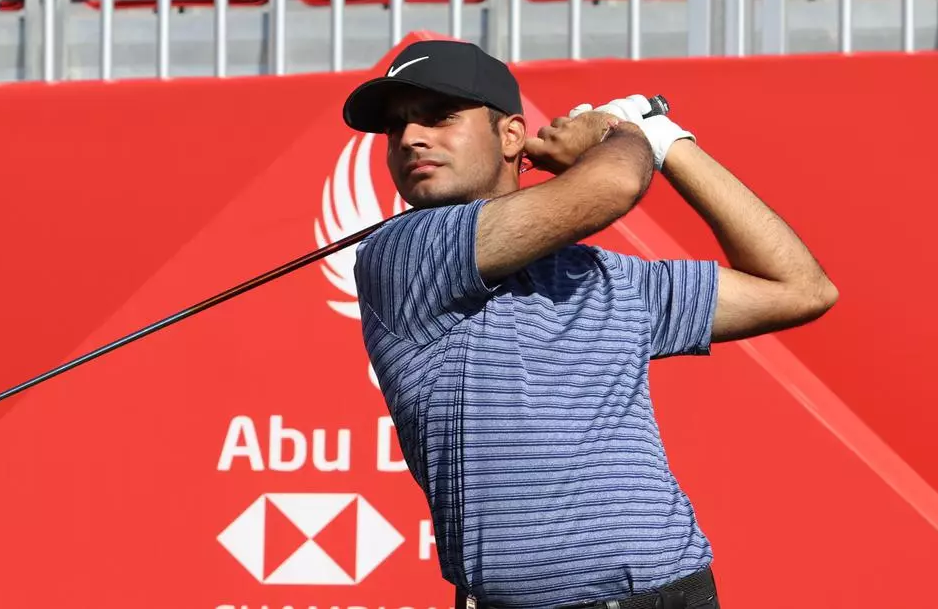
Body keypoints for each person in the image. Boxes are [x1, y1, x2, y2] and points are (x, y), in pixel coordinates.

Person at [342, 39, 838, 609]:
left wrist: (668, 142)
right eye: (396, 128)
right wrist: (623, 135)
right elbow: (611, 186)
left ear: (511, 137)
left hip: (670, 592)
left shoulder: (607, 277)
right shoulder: (401, 255)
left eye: (438, 116)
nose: (411, 138)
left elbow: (800, 288)